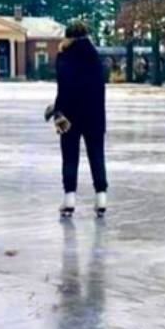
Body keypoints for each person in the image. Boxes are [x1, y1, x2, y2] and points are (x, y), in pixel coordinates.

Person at [50, 21, 108, 218]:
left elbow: (64, 87)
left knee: (70, 156)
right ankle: (101, 197)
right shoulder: (96, 57)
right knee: (97, 156)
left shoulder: (64, 56)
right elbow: (99, 88)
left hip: (71, 115)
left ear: (68, 37)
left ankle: (69, 199)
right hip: (95, 114)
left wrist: (58, 111)